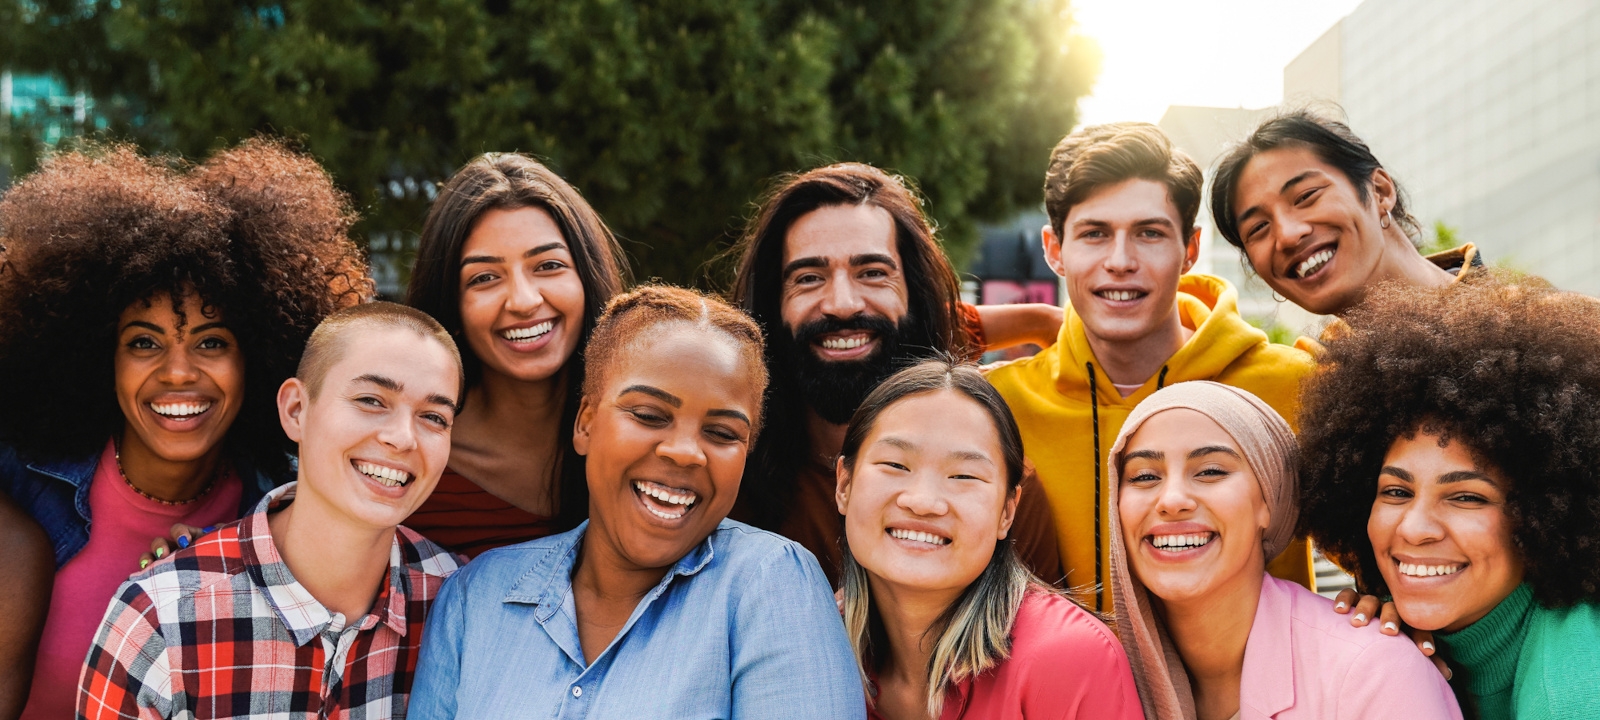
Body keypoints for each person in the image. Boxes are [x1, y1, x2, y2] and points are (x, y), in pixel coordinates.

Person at [0, 141, 369, 719]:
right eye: (144, 342)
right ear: (102, 357)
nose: (178, 372)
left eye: (212, 343)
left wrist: (202, 585)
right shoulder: (20, 476)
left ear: (260, 358)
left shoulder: (285, 512)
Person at [410, 285, 864, 718]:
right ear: (585, 423)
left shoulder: (771, 584)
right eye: (649, 415)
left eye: (723, 433)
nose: (685, 452)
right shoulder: (477, 597)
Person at [984, 123, 1314, 611]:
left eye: (1149, 233)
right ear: (1055, 250)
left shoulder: (1295, 385)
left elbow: (1387, 556)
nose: (1120, 261)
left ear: (1191, 250)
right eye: (1095, 234)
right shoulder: (996, 408)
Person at [79, 302, 465, 719]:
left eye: (433, 417)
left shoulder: (458, 604)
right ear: (296, 410)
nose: (403, 437)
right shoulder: (159, 618)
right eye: (371, 400)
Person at [729, 162, 1062, 586]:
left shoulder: (1000, 495)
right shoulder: (728, 475)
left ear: (914, 295)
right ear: (772, 308)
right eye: (809, 278)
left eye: (872, 273)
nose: (843, 304)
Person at [1297, 280, 1600, 719]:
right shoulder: (1408, 642)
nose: (1415, 528)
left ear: (1544, 516)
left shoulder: (1576, 689)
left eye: (1466, 497)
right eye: (1396, 492)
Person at [1109, 381, 1461, 720]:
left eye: (1211, 471)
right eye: (1143, 477)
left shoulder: (1376, 671)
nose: (1171, 500)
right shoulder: (1098, 672)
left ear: (1270, 501)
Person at [836, 359, 1142, 719]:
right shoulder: (812, 643)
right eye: (895, 465)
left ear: (1007, 512)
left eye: (964, 476)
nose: (923, 502)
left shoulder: (1068, 657)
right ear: (844, 484)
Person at [405, 153, 628, 558]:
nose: (524, 301)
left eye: (548, 265)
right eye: (485, 277)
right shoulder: (413, 457)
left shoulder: (643, 436)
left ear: (586, 277)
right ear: (451, 304)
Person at [1209, 110, 1484, 328]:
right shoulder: (1303, 384)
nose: (1287, 235)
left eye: (1306, 196)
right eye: (1258, 228)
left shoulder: (1519, 324)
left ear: (1380, 191)